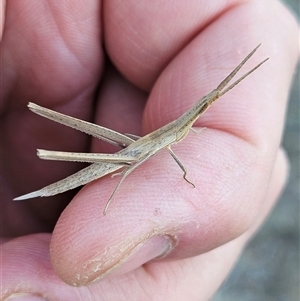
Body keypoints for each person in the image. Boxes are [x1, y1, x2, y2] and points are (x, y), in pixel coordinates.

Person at [1, 0, 298, 300]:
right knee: (126, 164)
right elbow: (164, 161)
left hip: (136, 149)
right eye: (206, 103)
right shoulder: (174, 134)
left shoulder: (183, 128)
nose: (206, 105)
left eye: (207, 104)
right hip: (128, 155)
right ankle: (49, 163)